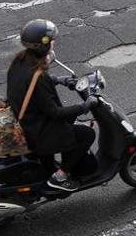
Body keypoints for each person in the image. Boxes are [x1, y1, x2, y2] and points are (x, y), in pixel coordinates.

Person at [7, 19, 96, 191]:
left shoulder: (19, 61)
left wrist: (58, 80)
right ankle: (59, 177)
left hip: (25, 120)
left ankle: (52, 169)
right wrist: (84, 107)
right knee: (86, 134)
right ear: (43, 46)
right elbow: (54, 112)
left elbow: (30, 86)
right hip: (37, 132)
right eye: (51, 42)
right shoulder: (39, 77)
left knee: (71, 124)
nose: (54, 44)